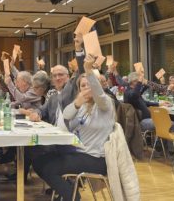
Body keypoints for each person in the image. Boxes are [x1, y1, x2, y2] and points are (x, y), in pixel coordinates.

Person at [33, 54, 115, 201]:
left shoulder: (105, 104)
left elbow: (99, 93)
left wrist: (89, 71)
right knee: (38, 161)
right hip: (80, 153)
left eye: (89, 84)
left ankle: (72, 197)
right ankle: (68, 194)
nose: (86, 88)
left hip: (96, 158)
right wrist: (77, 103)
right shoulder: (82, 106)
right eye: (83, 86)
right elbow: (67, 115)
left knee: (50, 169)